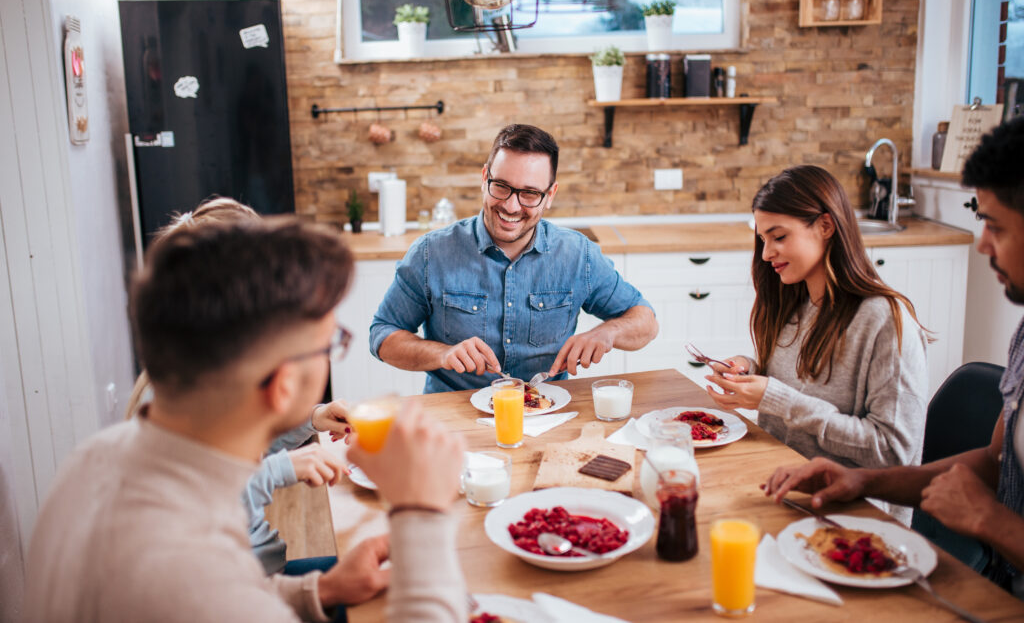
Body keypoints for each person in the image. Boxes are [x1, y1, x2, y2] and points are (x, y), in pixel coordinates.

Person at [24, 218, 467, 622]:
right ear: (284, 385)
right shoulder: (190, 581)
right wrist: (421, 512)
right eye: (331, 342)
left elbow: (230, 590)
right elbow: (208, 596)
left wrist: (322, 589)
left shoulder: (96, 455)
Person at [763, 118, 1024, 597]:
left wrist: (989, 519)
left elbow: (896, 445)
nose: (982, 242)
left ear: (825, 227)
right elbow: (998, 461)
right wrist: (857, 478)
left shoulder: (885, 318)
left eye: (994, 224)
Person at [123, 195, 352, 576]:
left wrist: (313, 418)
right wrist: (281, 468)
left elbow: (239, 449)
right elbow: (201, 491)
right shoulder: (171, 399)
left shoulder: (202, 373)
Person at [370, 123, 658, 393]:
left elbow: (645, 321)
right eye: (501, 186)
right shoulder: (431, 253)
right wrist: (443, 354)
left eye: (530, 193)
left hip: (547, 413)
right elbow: (383, 335)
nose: (511, 205)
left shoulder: (577, 255)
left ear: (550, 195)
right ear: (485, 178)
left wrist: (608, 332)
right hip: (454, 421)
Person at [705, 165, 929, 473]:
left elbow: (892, 452)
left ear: (825, 226)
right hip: (779, 479)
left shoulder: (885, 321)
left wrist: (775, 399)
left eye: (779, 237)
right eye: (763, 240)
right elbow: (801, 389)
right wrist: (749, 372)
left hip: (850, 511)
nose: (767, 253)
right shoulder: (794, 303)